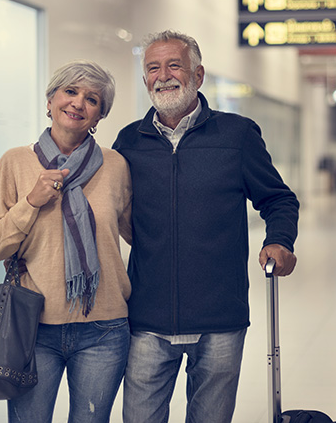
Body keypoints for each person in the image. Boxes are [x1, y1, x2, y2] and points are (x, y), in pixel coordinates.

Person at [113, 30, 300, 423]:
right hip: (147, 318)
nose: (163, 75)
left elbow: (278, 198)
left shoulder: (237, 135)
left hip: (220, 318)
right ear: (145, 79)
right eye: (153, 68)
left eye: (174, 65)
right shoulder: (129, 141)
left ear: (198, 75)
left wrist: (280, 241)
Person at [0, 60, 132, 423]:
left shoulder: (116, 166)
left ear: (99, 116)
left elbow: (139, 234)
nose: (78, 103)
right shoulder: (14, 163)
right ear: (50, 101)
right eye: (70, 92)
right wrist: (30, 202)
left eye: (92, 99)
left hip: (105, 327)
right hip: (32, 325)